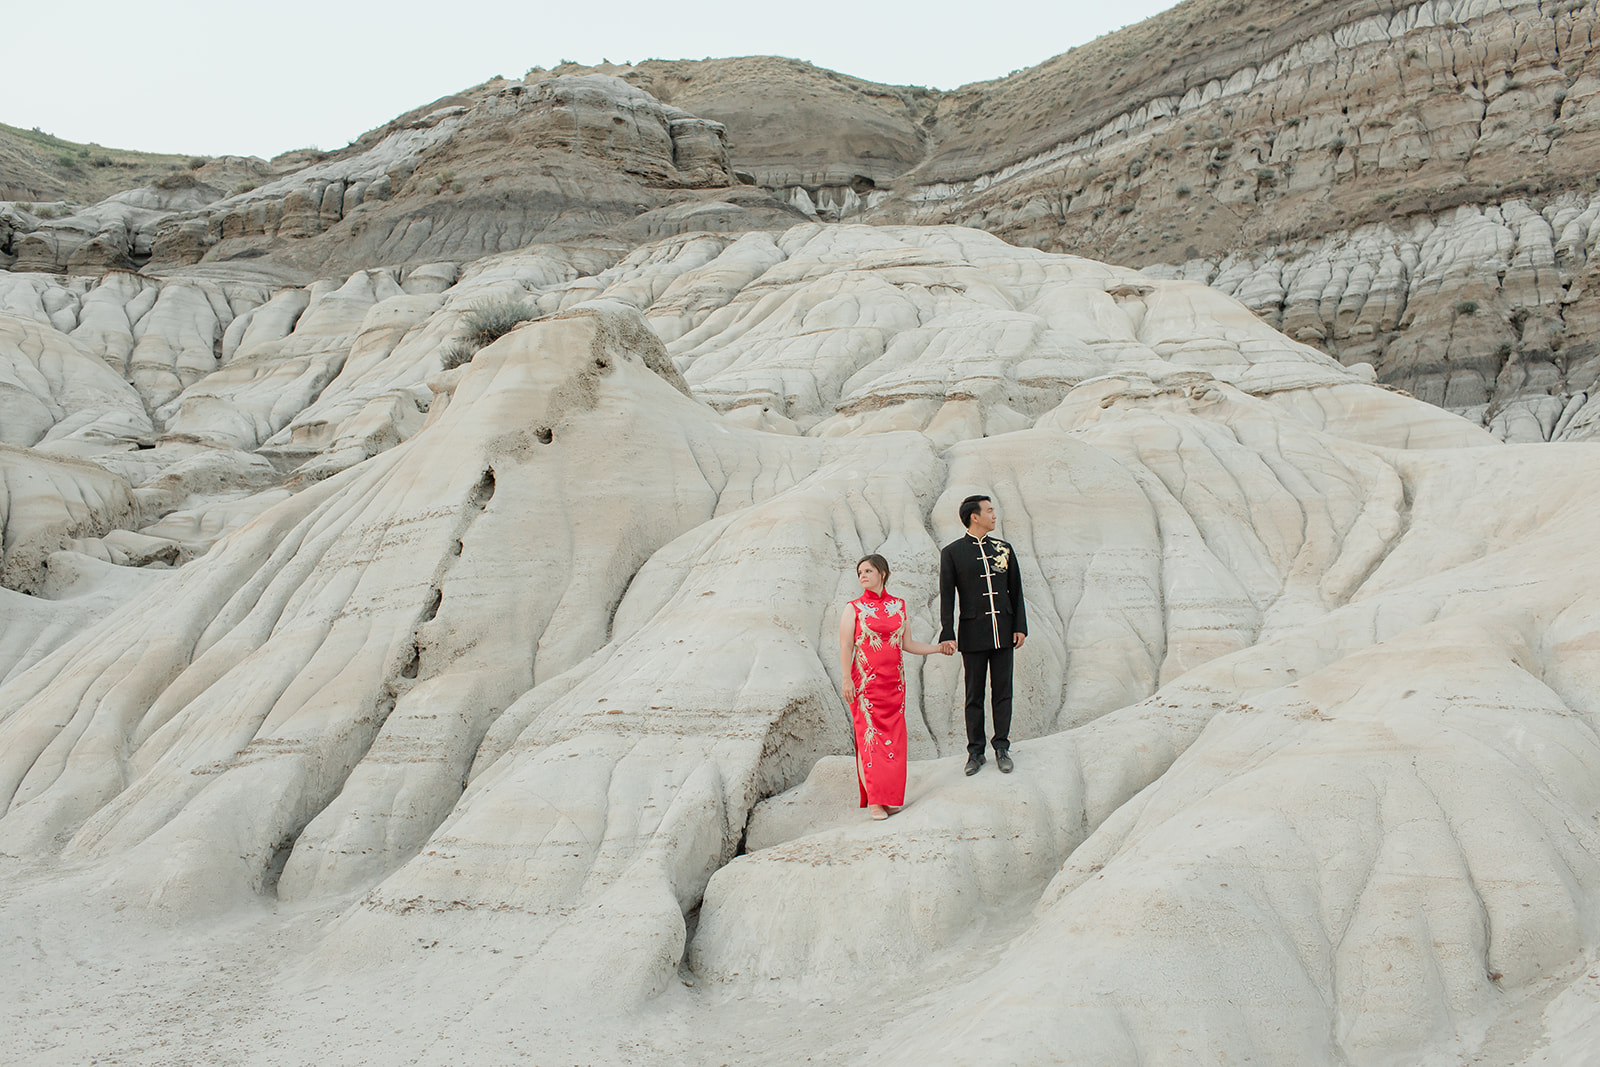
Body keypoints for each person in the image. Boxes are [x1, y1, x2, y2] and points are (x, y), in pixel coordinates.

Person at [839, 554, 950, 820]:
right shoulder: (853, 608)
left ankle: (890, 798)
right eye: (859, 572)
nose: (862, 576)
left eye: (868, 570)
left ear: (883, 573)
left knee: (894, 743)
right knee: (870, 742)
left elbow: (908, 645)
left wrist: (938, 648)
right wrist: (846, 679)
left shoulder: (899, 606)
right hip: (865, 686)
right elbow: (846, 646)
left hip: (895, 687)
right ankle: (876, 801)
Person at [938, 495, 1027, 776]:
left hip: (1003, 632)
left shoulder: (1004, 549)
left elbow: (1016, 590)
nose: (994, 515)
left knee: (1003, 692)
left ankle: (1002, 746)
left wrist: (1020, 626)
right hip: (972, 633)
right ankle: (975, 752)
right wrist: (947, 632)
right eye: (989, 510)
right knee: (973, 695)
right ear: (974, 516)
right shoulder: (952, 553)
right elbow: (947, 596)